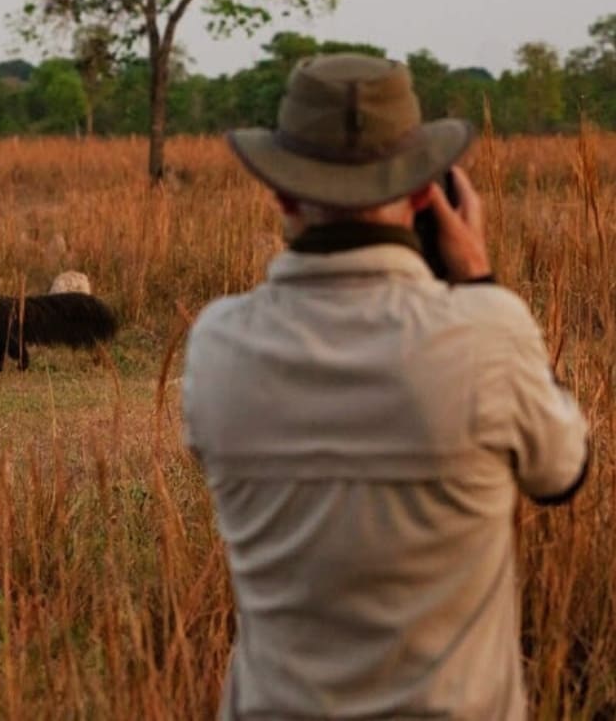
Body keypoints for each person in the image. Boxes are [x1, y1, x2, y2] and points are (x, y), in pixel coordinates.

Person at [182, 54, 589, 720]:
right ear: (428, 191)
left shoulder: (218, 344)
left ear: (281, 192)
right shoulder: (487, 334)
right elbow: (563, 475)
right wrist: (479, 279)